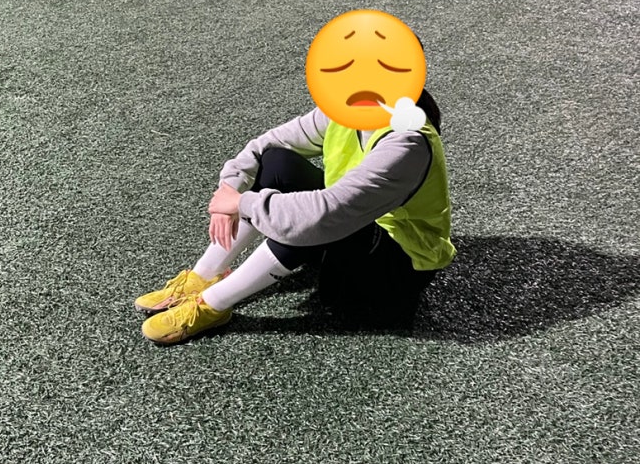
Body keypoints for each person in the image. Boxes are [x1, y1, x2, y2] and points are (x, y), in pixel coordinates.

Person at [135, 86, 455, 345]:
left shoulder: (407, 140)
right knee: (276, 163)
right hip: (350, 228)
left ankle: (213, 305)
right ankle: (203, 275)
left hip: (393, 271)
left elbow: (322, 215)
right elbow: (266, 146)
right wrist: (229, 190)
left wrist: (242, 203)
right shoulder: (348, 107)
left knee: (302, 217)